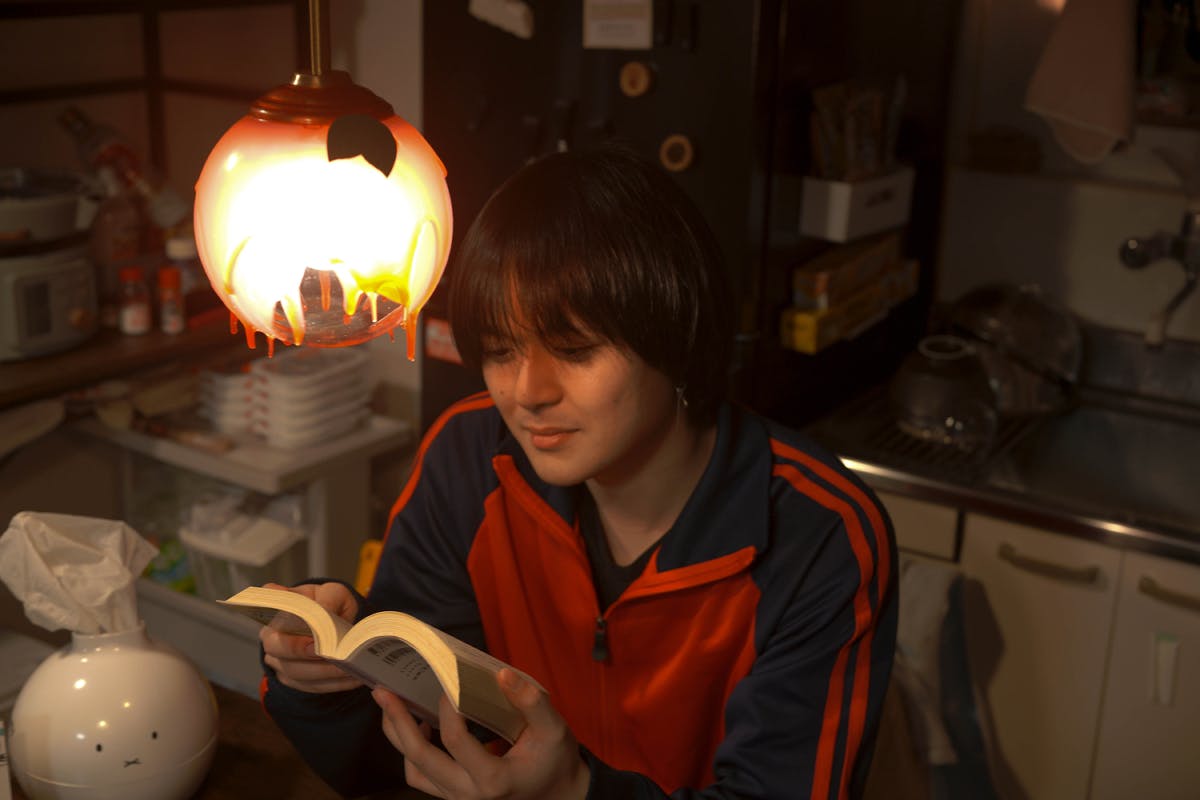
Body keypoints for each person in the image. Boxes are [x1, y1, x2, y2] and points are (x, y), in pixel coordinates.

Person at [259, 144, 898, 800]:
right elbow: (407, 752)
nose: (528, 393)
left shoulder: (818, 535)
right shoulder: (470, 458)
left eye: (574, 350)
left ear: (675, 334)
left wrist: (571, 791)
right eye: (501, 351)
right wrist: (330, 683)